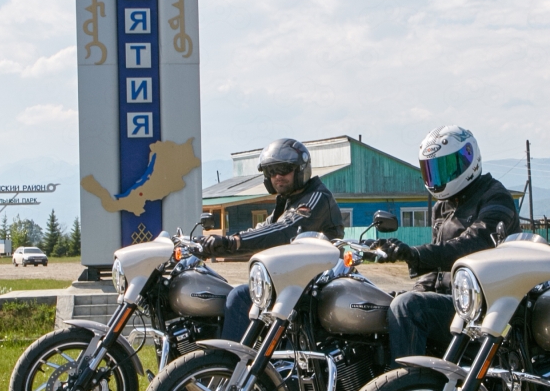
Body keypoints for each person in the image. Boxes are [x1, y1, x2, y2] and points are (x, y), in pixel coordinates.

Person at [375, 126, 520, 363]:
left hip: (479, 308)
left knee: (408, 307)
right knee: (378, 305)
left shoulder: (495, 196)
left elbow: (472, 246)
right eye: (432, 170)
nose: (438, 178)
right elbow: (435, 273)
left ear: (468, 158)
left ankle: (405, 382)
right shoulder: (442, 207)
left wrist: (415, 254)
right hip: (452, 302)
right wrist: (416, 290)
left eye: (445, 167)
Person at [204, 138, 345, 342]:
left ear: (300, 170)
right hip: (292, 282)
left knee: (240, 296)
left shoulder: (316, 197)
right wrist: (210, 245)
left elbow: (284, 230)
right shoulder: (287, 202)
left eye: (284, 169)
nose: (278, 176)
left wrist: (233, 242)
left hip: (317, 288)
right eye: (271, 171)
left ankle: (230, 361)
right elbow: (262, 230)